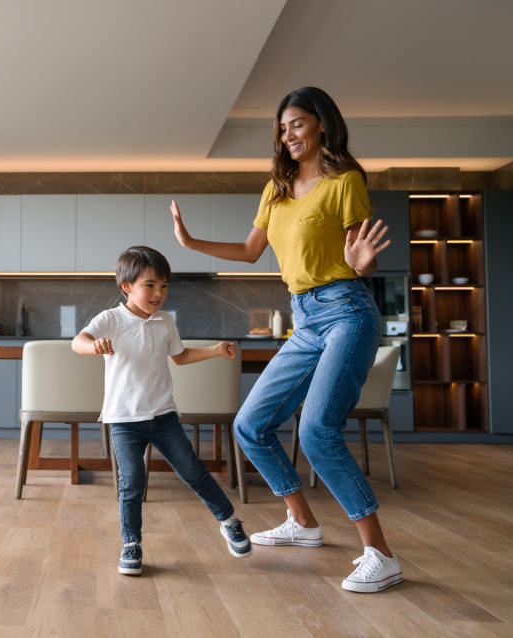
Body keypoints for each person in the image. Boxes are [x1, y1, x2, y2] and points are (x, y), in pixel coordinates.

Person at [170, 86, 402, 593]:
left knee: (317, 431)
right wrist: (191, 243)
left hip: (347, 309)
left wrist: (366, 267)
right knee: (250, 425)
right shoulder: (276, 187)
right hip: (303, 317)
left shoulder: (345, 181)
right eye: (282, 127)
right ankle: (302, 522)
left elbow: (361, 252)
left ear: (320, 124)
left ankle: (380, 553)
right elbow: (252, 250)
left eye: (297, 123)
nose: (288, 134)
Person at [72, 245, 249, 576]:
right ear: (126, 287)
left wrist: (214, 349)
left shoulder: (165, 322)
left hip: (163, 416)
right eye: (149, 285)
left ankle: (229, 521)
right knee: (132, 482)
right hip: (124, 419)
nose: (159, 293)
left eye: (164, 285)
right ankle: (131, 544)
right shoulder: (111, 319)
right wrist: (91, 346)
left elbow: (179, 357)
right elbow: (78, 340)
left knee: (193, 471)